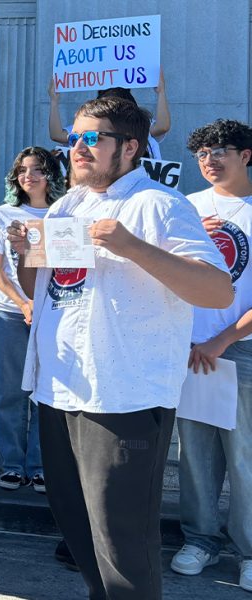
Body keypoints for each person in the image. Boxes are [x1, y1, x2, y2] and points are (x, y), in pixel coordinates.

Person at [8, 96, 233, 599]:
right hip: (59, 389)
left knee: (122, 551)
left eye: (94, 139)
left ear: (129, 147)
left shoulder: (158, 204)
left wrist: (131, 245)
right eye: (75, 138)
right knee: (82, 539)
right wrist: (27, 255)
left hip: (122, 399)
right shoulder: (67, 205)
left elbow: (217, 290)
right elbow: (46, 285)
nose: (79, 148)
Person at [171, 119, 252, 593]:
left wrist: (221, 340)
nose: (209, 159)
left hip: (239, 349)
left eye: (220, 149)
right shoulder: (185, 207)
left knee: (244, 457)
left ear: (246, 155)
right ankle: (200, 539)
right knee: (196, 454)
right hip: (188, 349)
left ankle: (248, 550)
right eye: (201, 152)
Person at [0, 147, 66, 493]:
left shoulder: (65, 214)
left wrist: (41, 304)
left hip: (55, 314)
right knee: (11, 392)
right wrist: (22, 301)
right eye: (21, 170)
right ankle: (13, 464)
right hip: (8, 311)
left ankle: (40, 464)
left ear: (51, 174)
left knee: (44, 392)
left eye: (36, 169)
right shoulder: (1, 215)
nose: (28, 176)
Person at [48, 71, 171, 159]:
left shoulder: (136, 126)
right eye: (107, 107)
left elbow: (162, 126)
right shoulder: (91, 126)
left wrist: (161, 91)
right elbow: (57, 135)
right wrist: (54, 101)